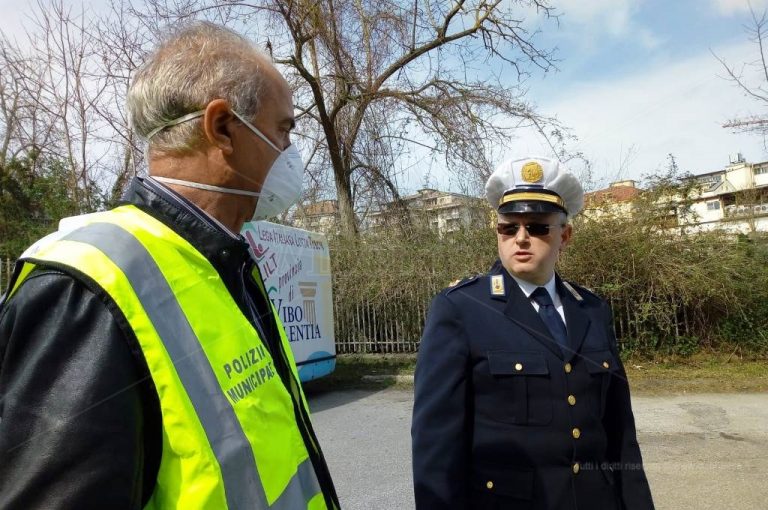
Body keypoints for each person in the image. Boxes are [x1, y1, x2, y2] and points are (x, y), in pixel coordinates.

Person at [0, 22, 339, 509]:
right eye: (283, 128)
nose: (291, 152)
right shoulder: (87, 288)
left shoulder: (222, 259)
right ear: (222, 127)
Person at [411, 156, 654, 509]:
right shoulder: (461, 309)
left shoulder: (591, 310)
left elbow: (620, 435)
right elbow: (436, 447)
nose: (521, 238)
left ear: (564, 235)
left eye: (538, 227)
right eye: (509, 228)